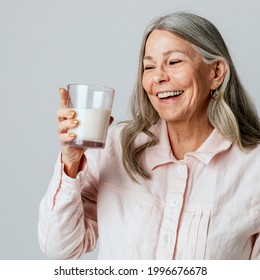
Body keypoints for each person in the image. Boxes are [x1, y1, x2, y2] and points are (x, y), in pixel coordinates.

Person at [38, 11, 260, 260]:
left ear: (216, 72)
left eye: (174, 62)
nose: (158, 77)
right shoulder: (116, 146)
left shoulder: (253, 166)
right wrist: (71, 161)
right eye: (149, 66)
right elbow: (61, 249)